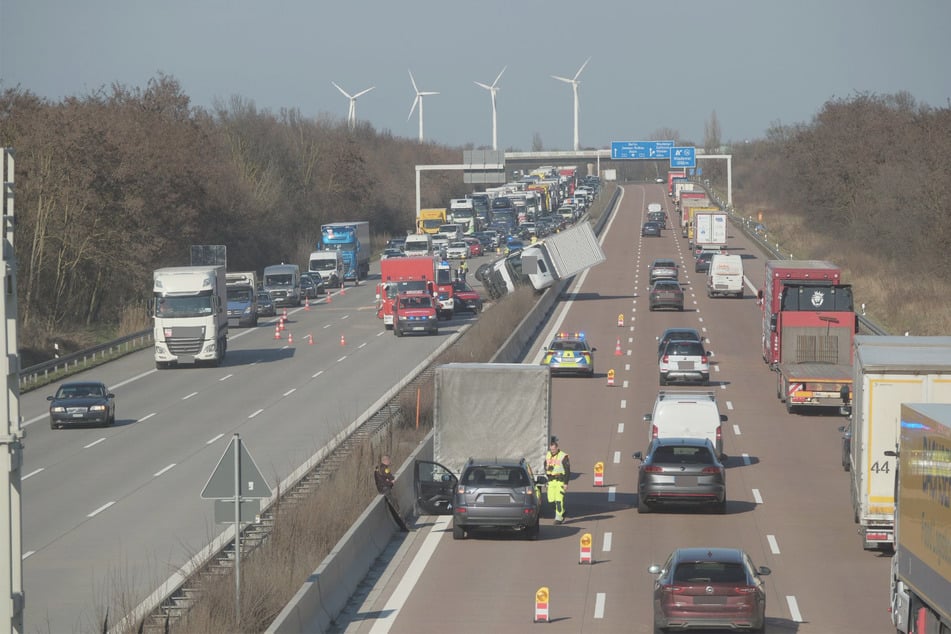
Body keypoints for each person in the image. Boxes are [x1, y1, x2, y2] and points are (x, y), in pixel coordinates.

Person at [545, 436, 570, 524]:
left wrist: (566, 483)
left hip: (560, 481)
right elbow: (546, 465)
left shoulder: (563, 456)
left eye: (553, 449)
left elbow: (567, 471)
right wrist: (546, 468)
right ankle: (562, 512)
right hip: (551, 481)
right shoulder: (548, 454)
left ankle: (559, 518)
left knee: (559, 501)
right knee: (551, 501)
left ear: (557, 448)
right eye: (551, 449)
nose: (552, 451)